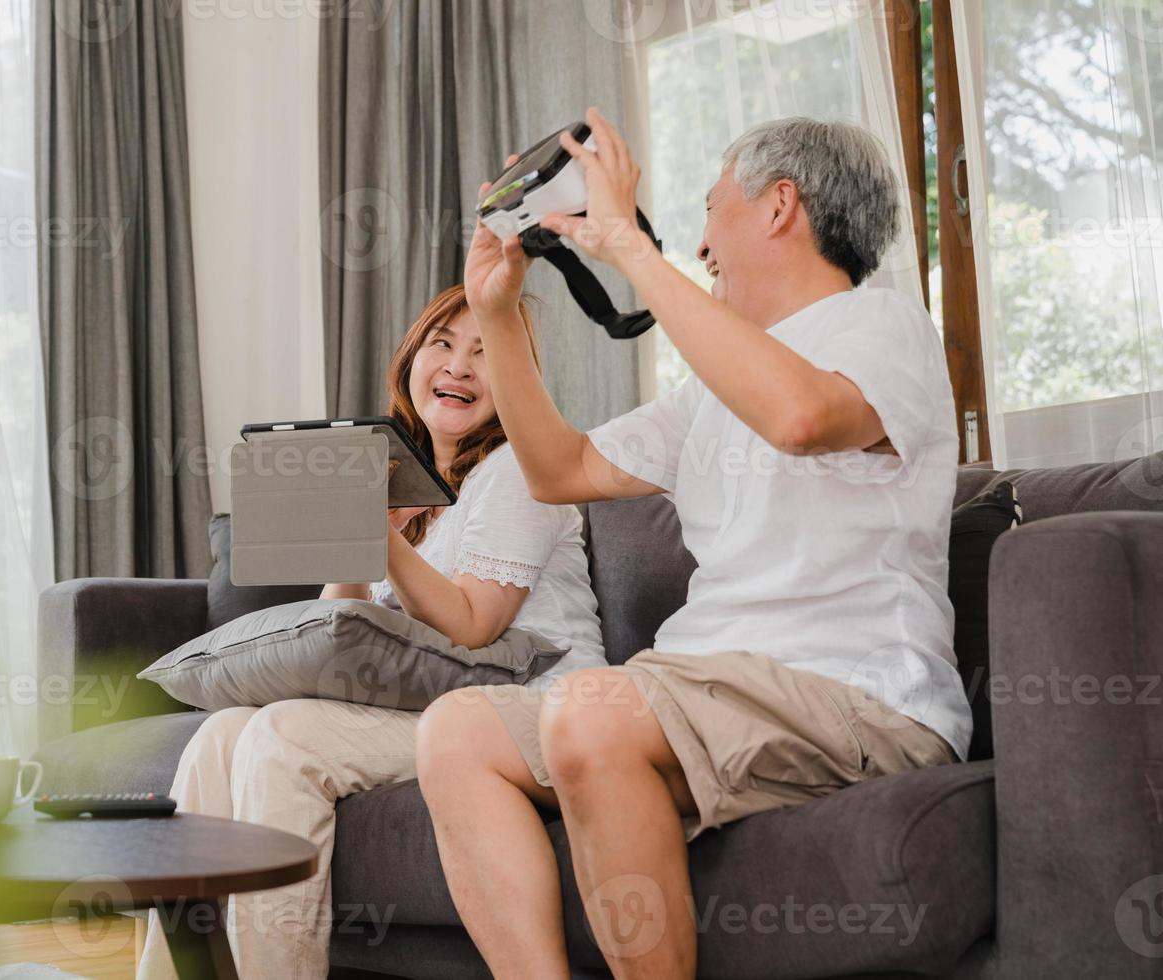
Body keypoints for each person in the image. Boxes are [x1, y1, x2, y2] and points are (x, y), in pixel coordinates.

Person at [415, 110, 972, 980]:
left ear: (779, 206)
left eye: (712, 209)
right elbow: (559, 470)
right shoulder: (707, 386)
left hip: (856, 691)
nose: (701, 241)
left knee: (590, 716)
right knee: (457, 733)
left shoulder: (882, 327)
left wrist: (633, 252)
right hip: (703, 685)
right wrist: (499, 316)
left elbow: (800, 418)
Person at [136, 282, 606, 980]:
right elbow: (344, 628)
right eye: (442, 344)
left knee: (282, 738)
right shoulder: (417, 495)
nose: (459, 365)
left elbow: (476, 627)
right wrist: (355, 539)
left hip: (531, 708)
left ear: (515, 377)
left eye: (484, 351)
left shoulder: (519, 474)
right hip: (437, 702)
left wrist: (381, 543)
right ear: (410, 360)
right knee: (219, 736)